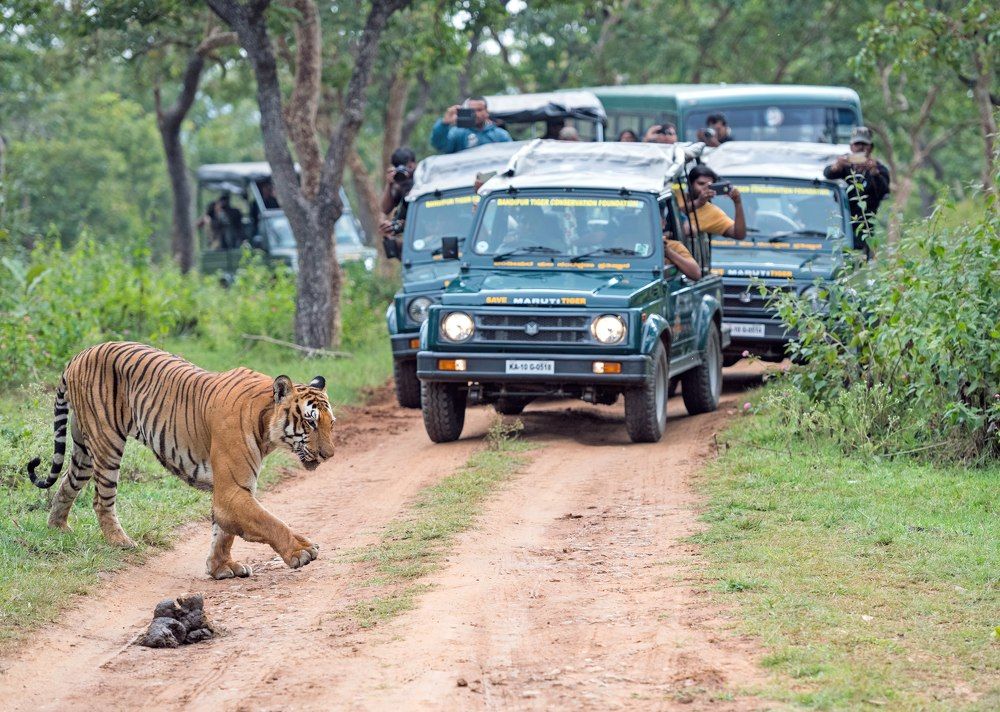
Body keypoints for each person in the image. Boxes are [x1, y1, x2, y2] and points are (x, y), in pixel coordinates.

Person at [822, 126, 890, 256]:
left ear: (871, 147)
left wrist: (874, 173)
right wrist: (837, 166)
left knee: (862, 259)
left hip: (865, 227)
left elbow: (884, 191)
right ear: (851, 146)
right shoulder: (845, 166)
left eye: (864, 144)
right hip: (841, 224)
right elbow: (827, 174)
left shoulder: (879, 168)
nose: (860, 148)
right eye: (857, 144)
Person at [680, 165, 746, 239]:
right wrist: (698, 202)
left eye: (710, 186)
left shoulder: (712, 212)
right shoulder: (675, 196)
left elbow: (739, 234)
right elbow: (674, 213)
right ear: (690, 184)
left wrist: (737, 203)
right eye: (701, 184)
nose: (705, 188)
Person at [430, 96, 512, 154]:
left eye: (479, 110)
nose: (475, 114)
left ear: (486, 112)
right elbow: (439, 145)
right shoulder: (458, 133)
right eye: (471, 110)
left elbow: (509, 156)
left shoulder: (500, 135)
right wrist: (444, 123)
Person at [378, 147, 418, 257]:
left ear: (414, 165)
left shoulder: (423, 180)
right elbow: (384, 209)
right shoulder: (399, 184)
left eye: (408, 167)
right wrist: (389, 184)